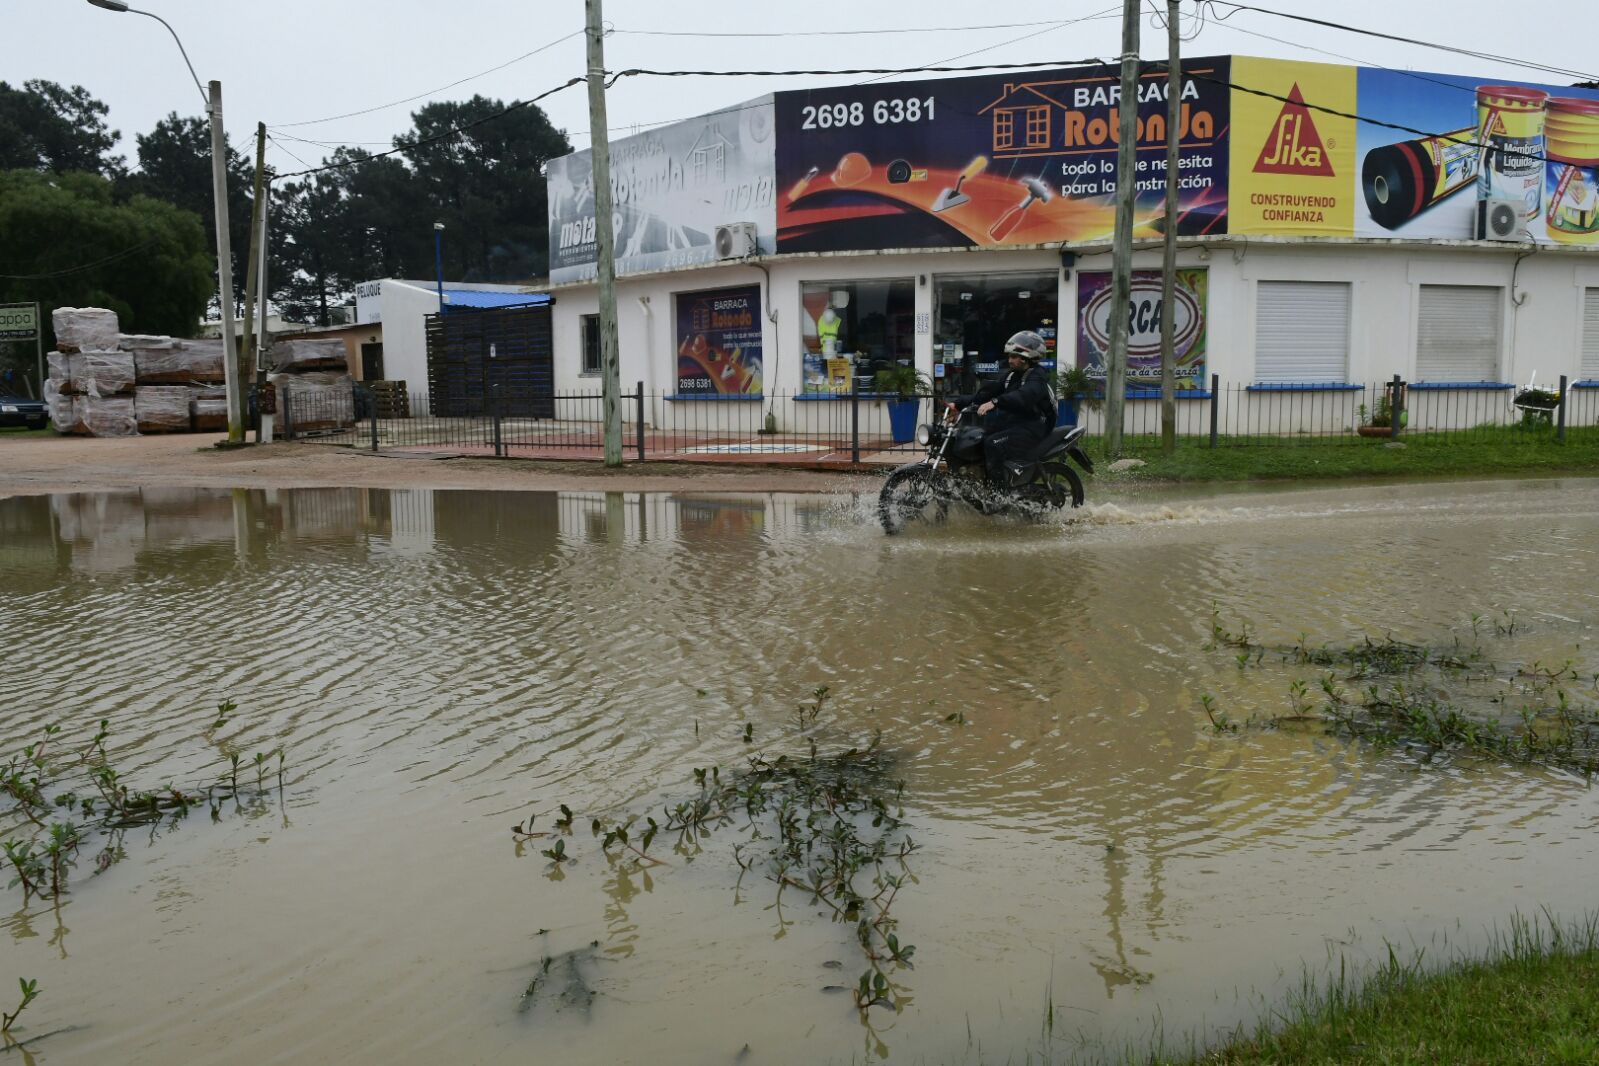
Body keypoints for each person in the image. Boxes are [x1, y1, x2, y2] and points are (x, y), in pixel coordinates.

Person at [958, 330, 1056, 488]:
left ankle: (998, 493)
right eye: (1009, 356)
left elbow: (1024, 396)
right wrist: (957, 404)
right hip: (1015, 424)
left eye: (1014, 357)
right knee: (977, 437)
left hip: (1034, 426)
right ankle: (979, 482)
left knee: (993, 444)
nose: (1009, 360)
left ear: (1026, 357)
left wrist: (995, 402)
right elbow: (986, 393)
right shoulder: (1012, 376)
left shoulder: (1037, 377)